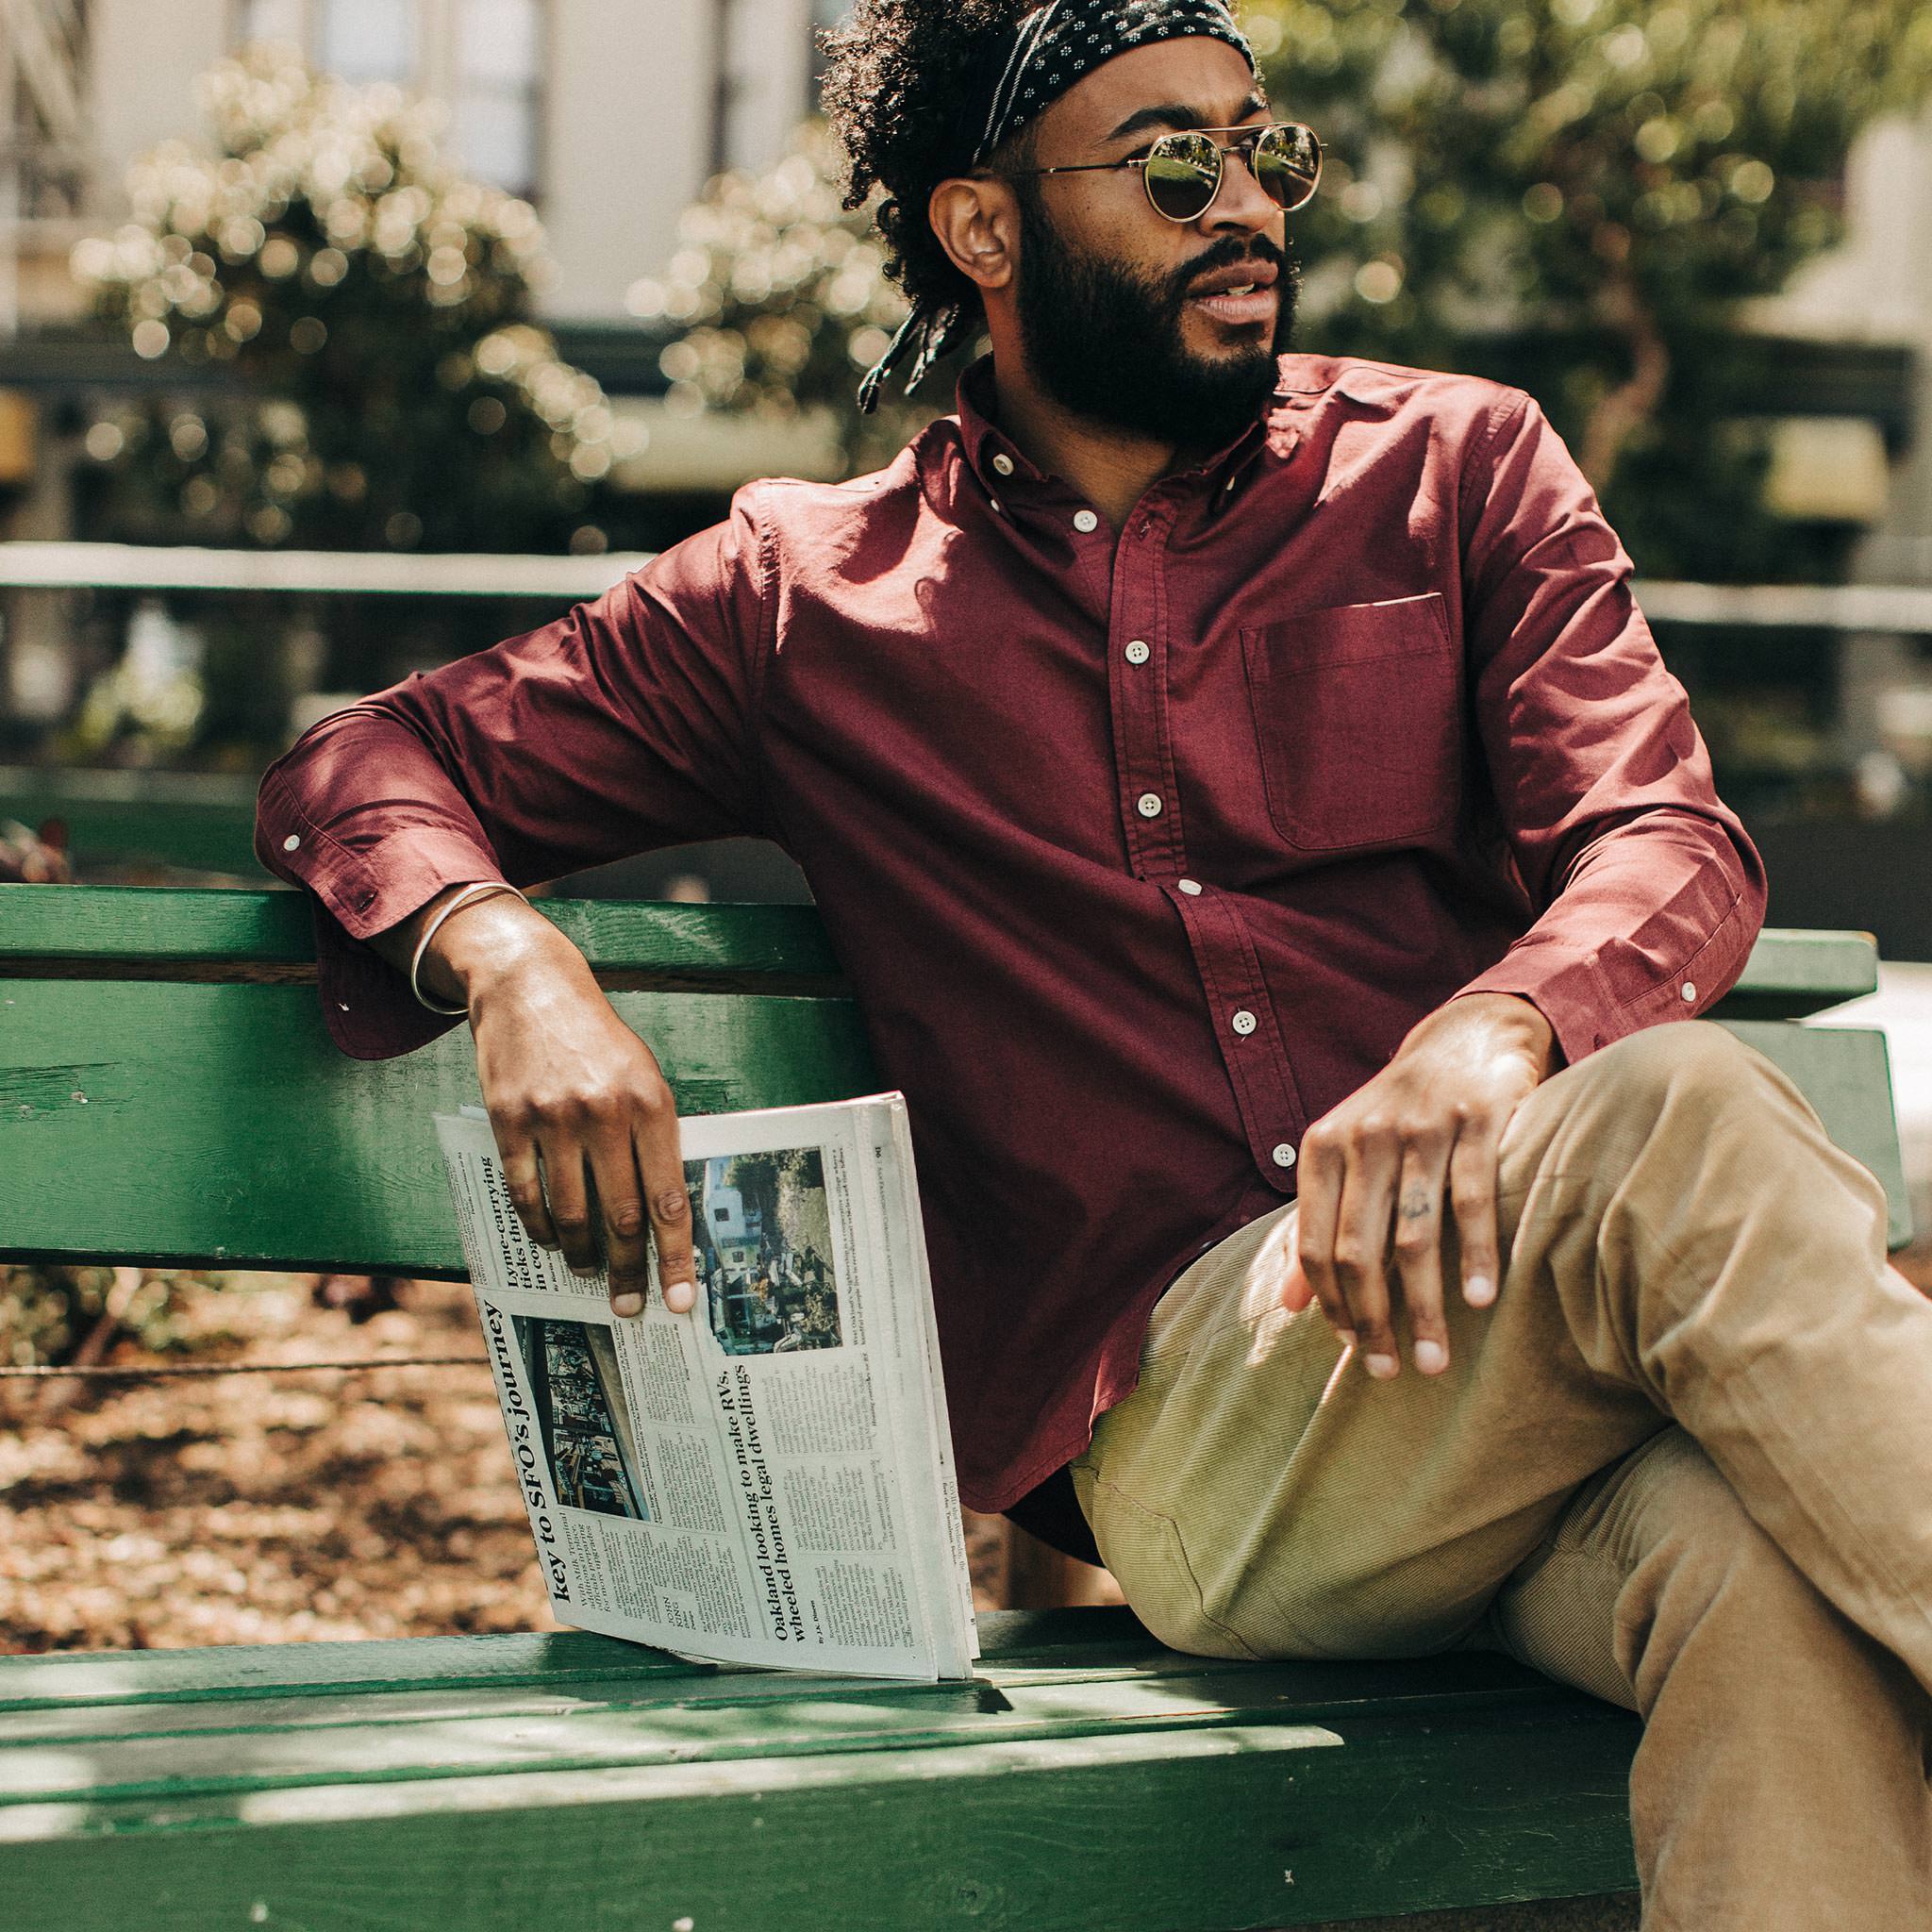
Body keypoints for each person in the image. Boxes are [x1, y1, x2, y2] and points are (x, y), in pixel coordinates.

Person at [256, 3, 1932, 1921]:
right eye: (1167, 163)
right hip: (1198, 1438)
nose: (1242, 203)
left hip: (1501, 1377)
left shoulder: (1459, 472)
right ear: (983, 230)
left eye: (1259, 152)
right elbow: (367, 762)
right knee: (1686, 1125)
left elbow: (1668, 842)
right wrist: (509, 960)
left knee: (1760, 1573)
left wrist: (1491, 1032)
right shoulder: (806, 600)